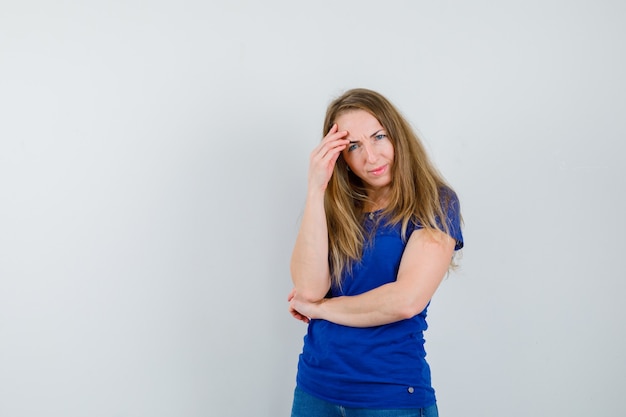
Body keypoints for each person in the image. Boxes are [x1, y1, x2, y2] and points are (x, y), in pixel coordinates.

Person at [287, 88, 464, 417]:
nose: (370, 157)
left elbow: (405, 301)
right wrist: (315, 188)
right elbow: (309, 288)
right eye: (353, 146)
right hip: (315, 388)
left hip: (389, 395)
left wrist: (321, 309)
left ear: (397, 135)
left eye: (379, 137)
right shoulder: (336, 206)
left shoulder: (434, 202)